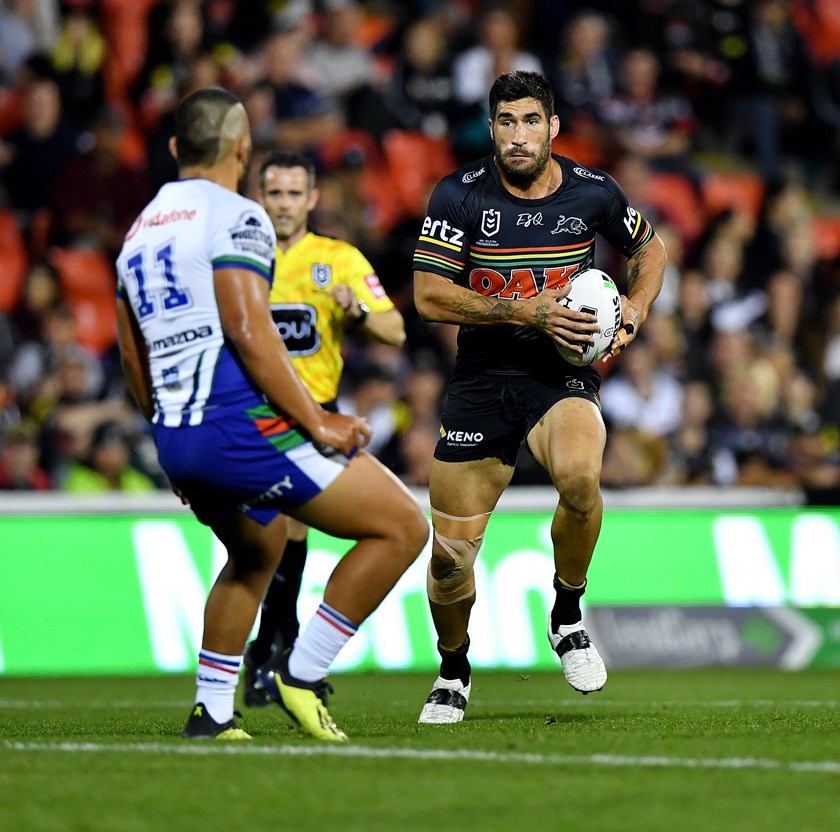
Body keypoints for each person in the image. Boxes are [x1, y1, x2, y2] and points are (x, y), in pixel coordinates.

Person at [115, 86, 428, 742]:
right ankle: (300, 672)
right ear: (242, 149)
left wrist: (171, 444)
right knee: (402, 527)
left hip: (178, 434)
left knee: (255, 553)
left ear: (174, 147)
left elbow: (131, 355)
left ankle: (212, 712)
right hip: (241, 424)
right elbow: (248, 329)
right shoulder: (238, 216)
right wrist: (317, 420)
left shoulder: (139, 234)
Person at [412, 70, 667, 723]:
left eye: (531, 121)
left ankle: (568, 614)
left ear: (552, 127)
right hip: (482, 377)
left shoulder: (593, 191)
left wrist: (635, 309)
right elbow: (429, 295)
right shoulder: (459, 195)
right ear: (491, 129)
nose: (518, 136)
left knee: (582, 477)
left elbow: (650, 250)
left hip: (561, 374)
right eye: (506, 122)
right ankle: (453, 669)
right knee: (449, 561)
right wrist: (528, 311)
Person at [242, 148, 406, 707]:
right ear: (259, 197)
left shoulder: (338, 258)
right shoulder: (241, 259)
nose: (284, 204)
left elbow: (395, 329)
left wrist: (356, 310)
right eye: (274, 193)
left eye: (294, 193)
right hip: (251, 414)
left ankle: (272, 649)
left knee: (290, 530)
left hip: (315, 415)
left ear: (312, 198)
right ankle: (275, 649)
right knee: (273, 534)